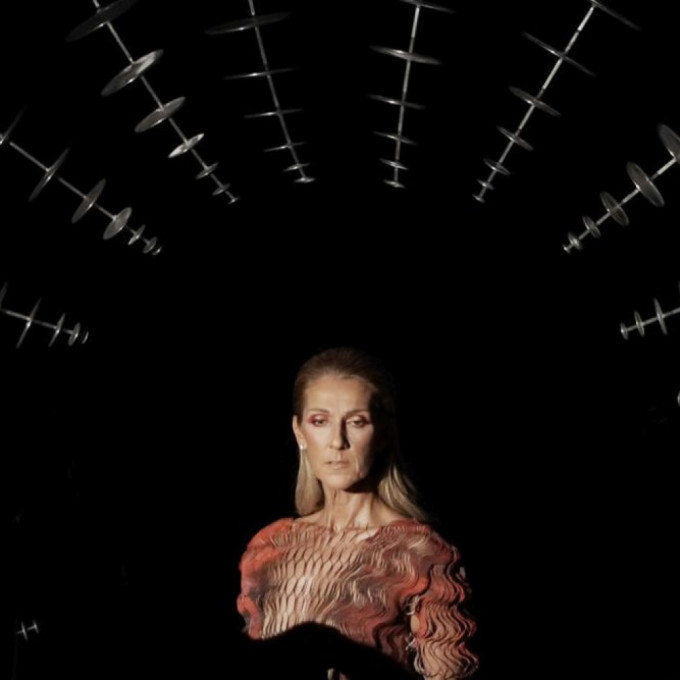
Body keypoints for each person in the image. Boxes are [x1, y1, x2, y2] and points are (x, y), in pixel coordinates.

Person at [236, 346, 479, 680]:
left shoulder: (419, 554)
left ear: (382, 433)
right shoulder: (270, 547)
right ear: (299, 432)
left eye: (356, 422)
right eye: (319, 421)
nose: (337, 441)